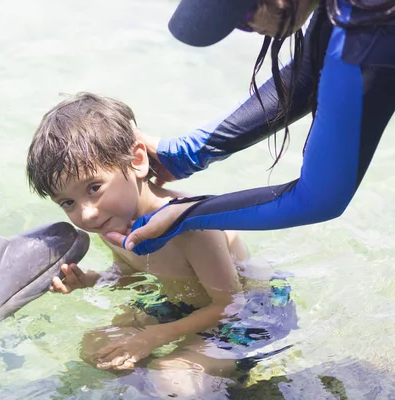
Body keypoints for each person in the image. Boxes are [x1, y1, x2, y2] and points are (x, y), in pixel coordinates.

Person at [26, 92, 297, 396]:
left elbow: (228, 304)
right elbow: (129, 274)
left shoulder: (191, 227)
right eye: (68, 202)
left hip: (247, 311)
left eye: (94, 187)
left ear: (138, 161)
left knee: (172, 376)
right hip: (180, 305)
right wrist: (92, 280)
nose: (86, 213)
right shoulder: (111, 221)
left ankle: (216, 382)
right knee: (96, 346)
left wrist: (154, 337)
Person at [102, 0, 395, 255]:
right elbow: (309, 74)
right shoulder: (351, 10)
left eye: (243, 18)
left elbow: (320, 200)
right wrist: (186, 153)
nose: (247, 29)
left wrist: (186, 215)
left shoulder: (367, 33)